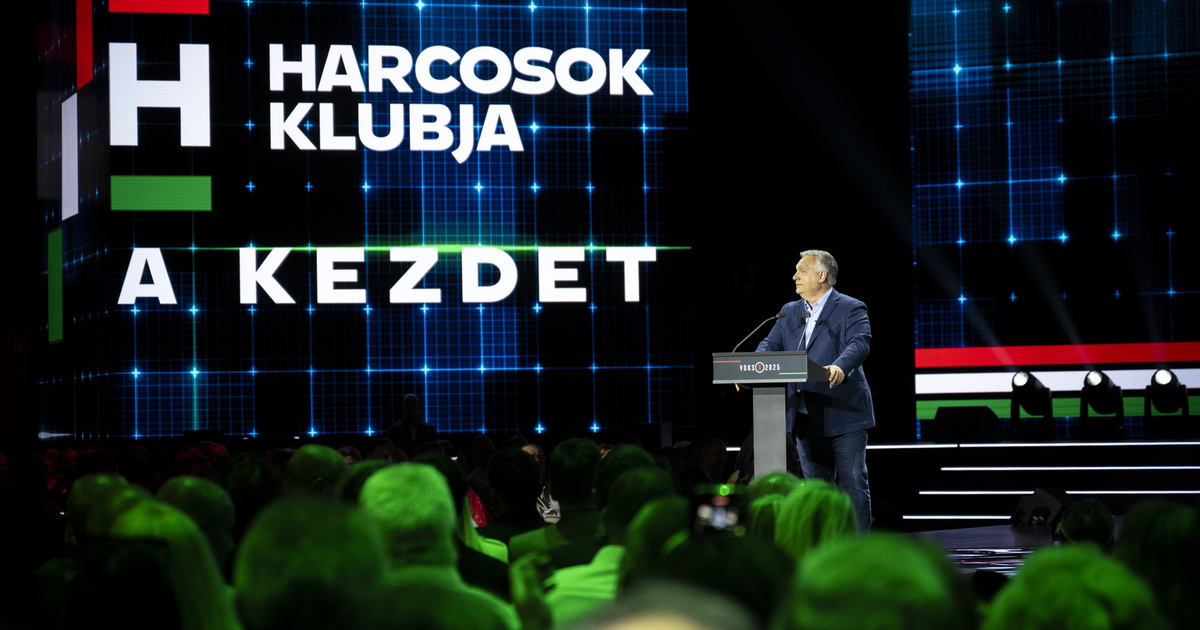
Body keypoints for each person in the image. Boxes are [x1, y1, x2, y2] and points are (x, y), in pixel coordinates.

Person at [755, 250, 874, 530]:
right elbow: (769, 345)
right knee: (816, 494)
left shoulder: (851, 307)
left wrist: (840, 366)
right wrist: (751, 367)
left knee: (853, 486)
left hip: (844, 413)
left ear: (822, 275)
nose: (794, 276)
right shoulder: (789, 311)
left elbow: (859, 343)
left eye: (802, 270)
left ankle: (857, 547)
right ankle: (822, 546)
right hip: (804, 417)